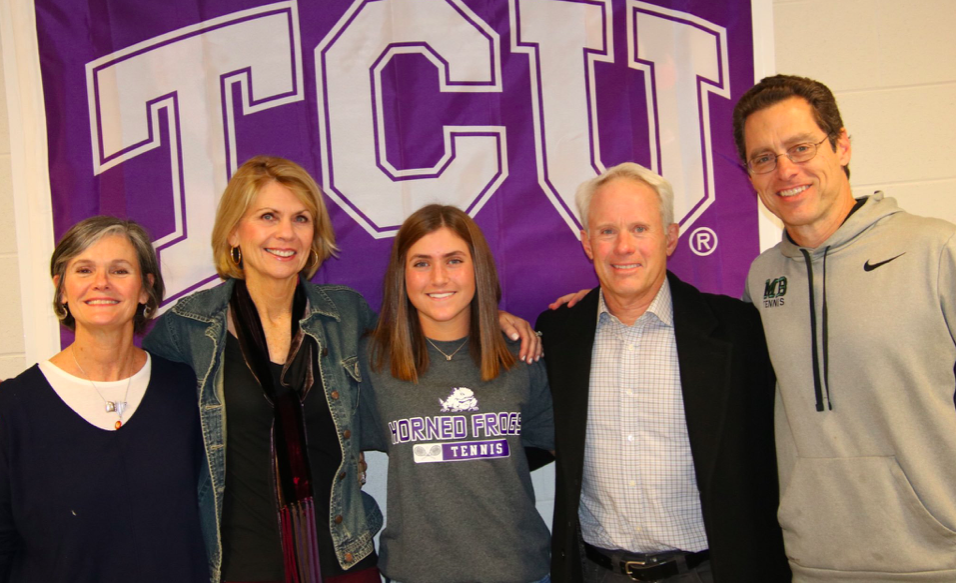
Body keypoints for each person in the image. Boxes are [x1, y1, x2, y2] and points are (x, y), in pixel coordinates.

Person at [143, 156, 542, 583]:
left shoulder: (345, 315)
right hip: (239, 565)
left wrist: (491, 319)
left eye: (301, 218)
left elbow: (423, 330)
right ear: (234, 232)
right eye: (268, 216)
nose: (286, 233)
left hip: (345, 559)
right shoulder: (187, 328)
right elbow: (146, 424)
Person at [733, 74, 956, 582]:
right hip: (813, 562)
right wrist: (603, 302)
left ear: (841, 146)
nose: (785, 170)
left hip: (938, 559)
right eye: (763, 158)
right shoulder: (762, 278)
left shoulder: (936, 250)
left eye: (801, 147)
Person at [537, 163, 790, 583]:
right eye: (607, 231)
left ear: (670, 238)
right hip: (596, 571)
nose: (624, 247)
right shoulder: (559, 333)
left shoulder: (738, 331)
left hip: (710, 571)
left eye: (640, 229)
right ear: (587, 243)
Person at [0, 217, 206, 582]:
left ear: (145, 289)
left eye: (119, 270)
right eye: (84, 270)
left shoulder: (187, 389)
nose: (101, 282)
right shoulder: (12, 408)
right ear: (61, 289)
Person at [363, 204, 554, 583]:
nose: (438, 278)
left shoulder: (521, 355)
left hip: (519, 572)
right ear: (401, 274)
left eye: (454, 261)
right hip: (415, 574)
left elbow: (555, 449)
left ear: (477, 268)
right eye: (421, 263)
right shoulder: (372, 362)